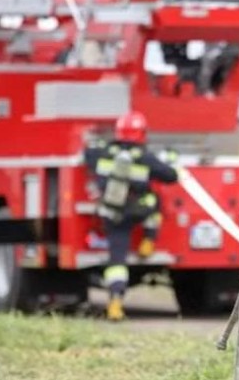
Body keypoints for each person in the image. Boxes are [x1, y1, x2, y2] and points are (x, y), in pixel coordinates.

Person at [86, 111, 178, 321]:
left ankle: (115, 303)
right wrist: (171, 160)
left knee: (117, 260)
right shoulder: (145, 157)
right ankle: (148, 240)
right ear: (142, 133)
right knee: (154, 201)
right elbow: (170, 176)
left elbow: (88, 156)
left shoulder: (104, 153)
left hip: (113, 215)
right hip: (139, 213)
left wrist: (92, 144)